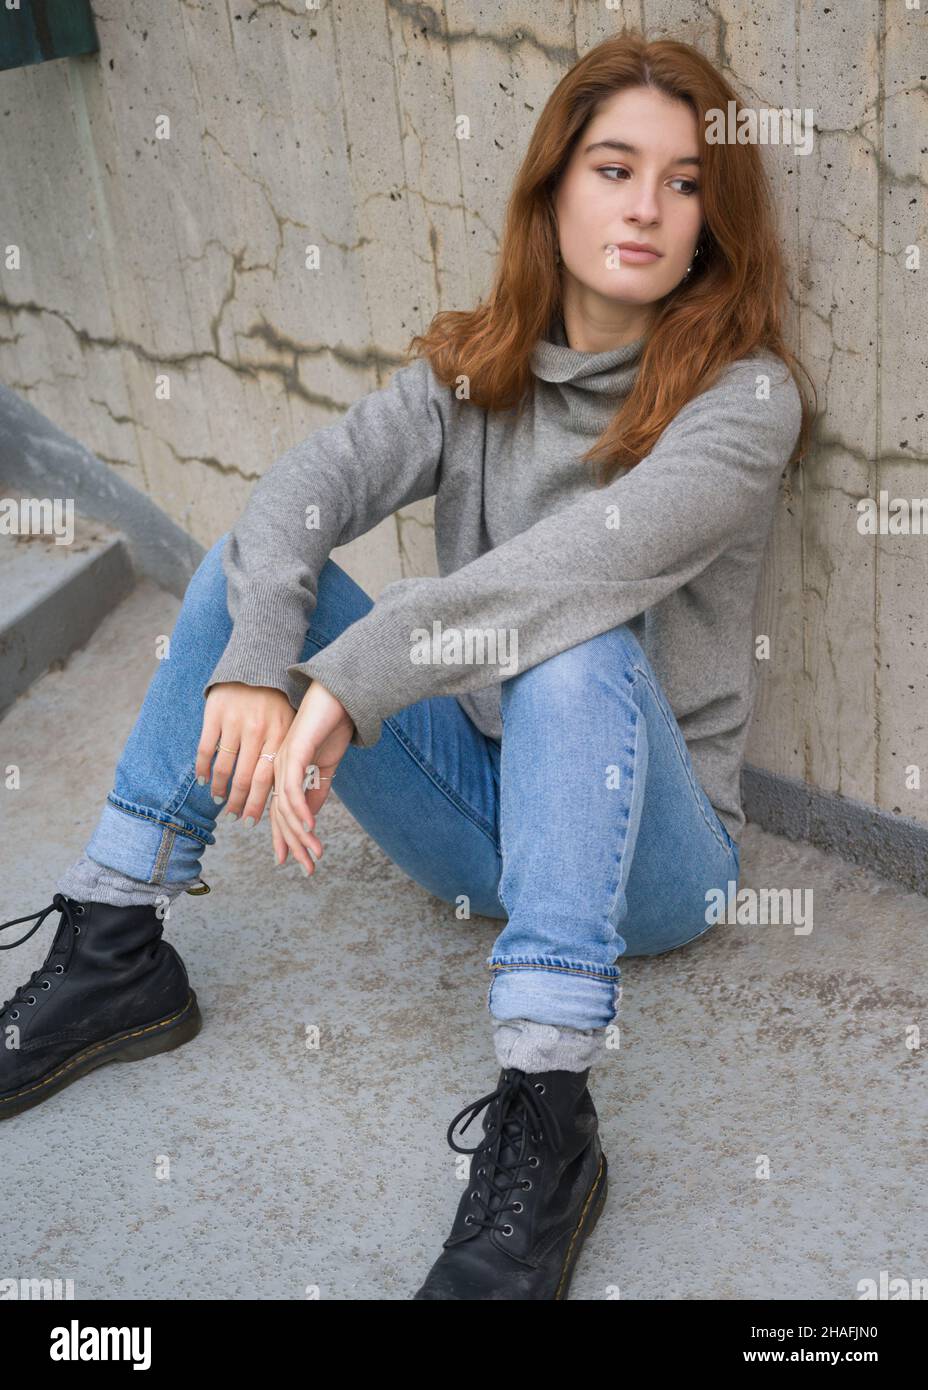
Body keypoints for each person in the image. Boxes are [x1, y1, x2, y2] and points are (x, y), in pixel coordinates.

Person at [1, 32, 813, 1299]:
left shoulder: (744, 402)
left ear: (717, 217)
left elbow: (567, 572)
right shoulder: (470, 370)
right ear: (553, 187)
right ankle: (117, 942)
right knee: (248, 566)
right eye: (613, 167)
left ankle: (546, 1113)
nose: (647, 205)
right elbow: (303, 489)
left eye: (685, 180)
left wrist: (343, 681)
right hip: (474, 826)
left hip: (652, 862)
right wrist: (263, 658)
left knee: (571, 631)